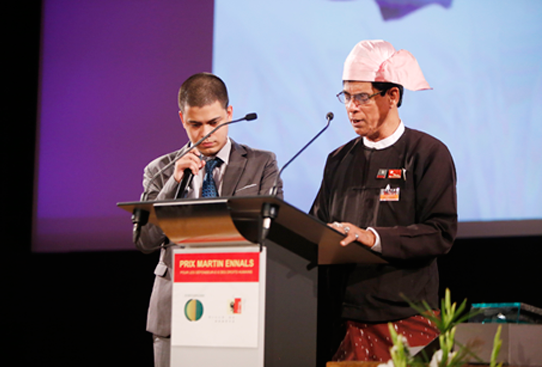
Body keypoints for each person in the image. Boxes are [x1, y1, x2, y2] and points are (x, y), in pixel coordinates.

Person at [310, 40, 457, 362]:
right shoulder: (338, 159)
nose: (351, 107)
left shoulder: (428, 154)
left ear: (393, 96)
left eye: (361, 97)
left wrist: (371, 237)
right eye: (346, 97)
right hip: (347, 319)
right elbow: (316, 228)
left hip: (409, 317)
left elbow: (439, 233)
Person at [134, 72, 283, 367]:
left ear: (229, 113)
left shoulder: (261, 163)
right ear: (182, 119)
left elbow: (270, 236)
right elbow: (145, 240)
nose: (206, 133)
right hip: (175, 312)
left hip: (237, 306)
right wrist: (172, 185)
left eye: (214, 123)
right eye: (195, 124)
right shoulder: (160, 170)